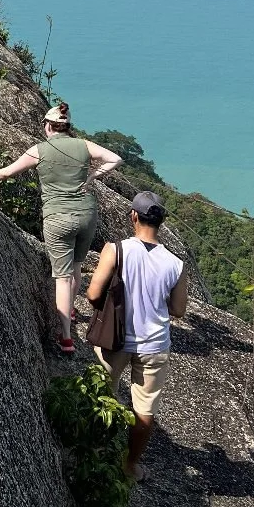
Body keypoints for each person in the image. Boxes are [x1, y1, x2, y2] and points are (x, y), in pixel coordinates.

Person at [0, 103, 123, 354]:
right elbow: (115, 159)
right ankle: (71, 311)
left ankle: (66, 338)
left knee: (62, 279)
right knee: (75, 268)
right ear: (67, 127)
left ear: (47, 125)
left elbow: (7, 173)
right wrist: (91, 177)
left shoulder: (39, 150)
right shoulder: (84, 145)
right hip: (86, 214)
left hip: (58, 217)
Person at [87, 191, 188, 481]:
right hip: (155, 345)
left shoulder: (115, 249)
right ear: (161, 223)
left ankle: (93, 455)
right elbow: (178, 310)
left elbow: (93, 293)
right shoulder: (176, 264)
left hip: (115, 339)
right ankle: (129, 465)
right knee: (145, 409)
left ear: (134, 216)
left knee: (102, 396)